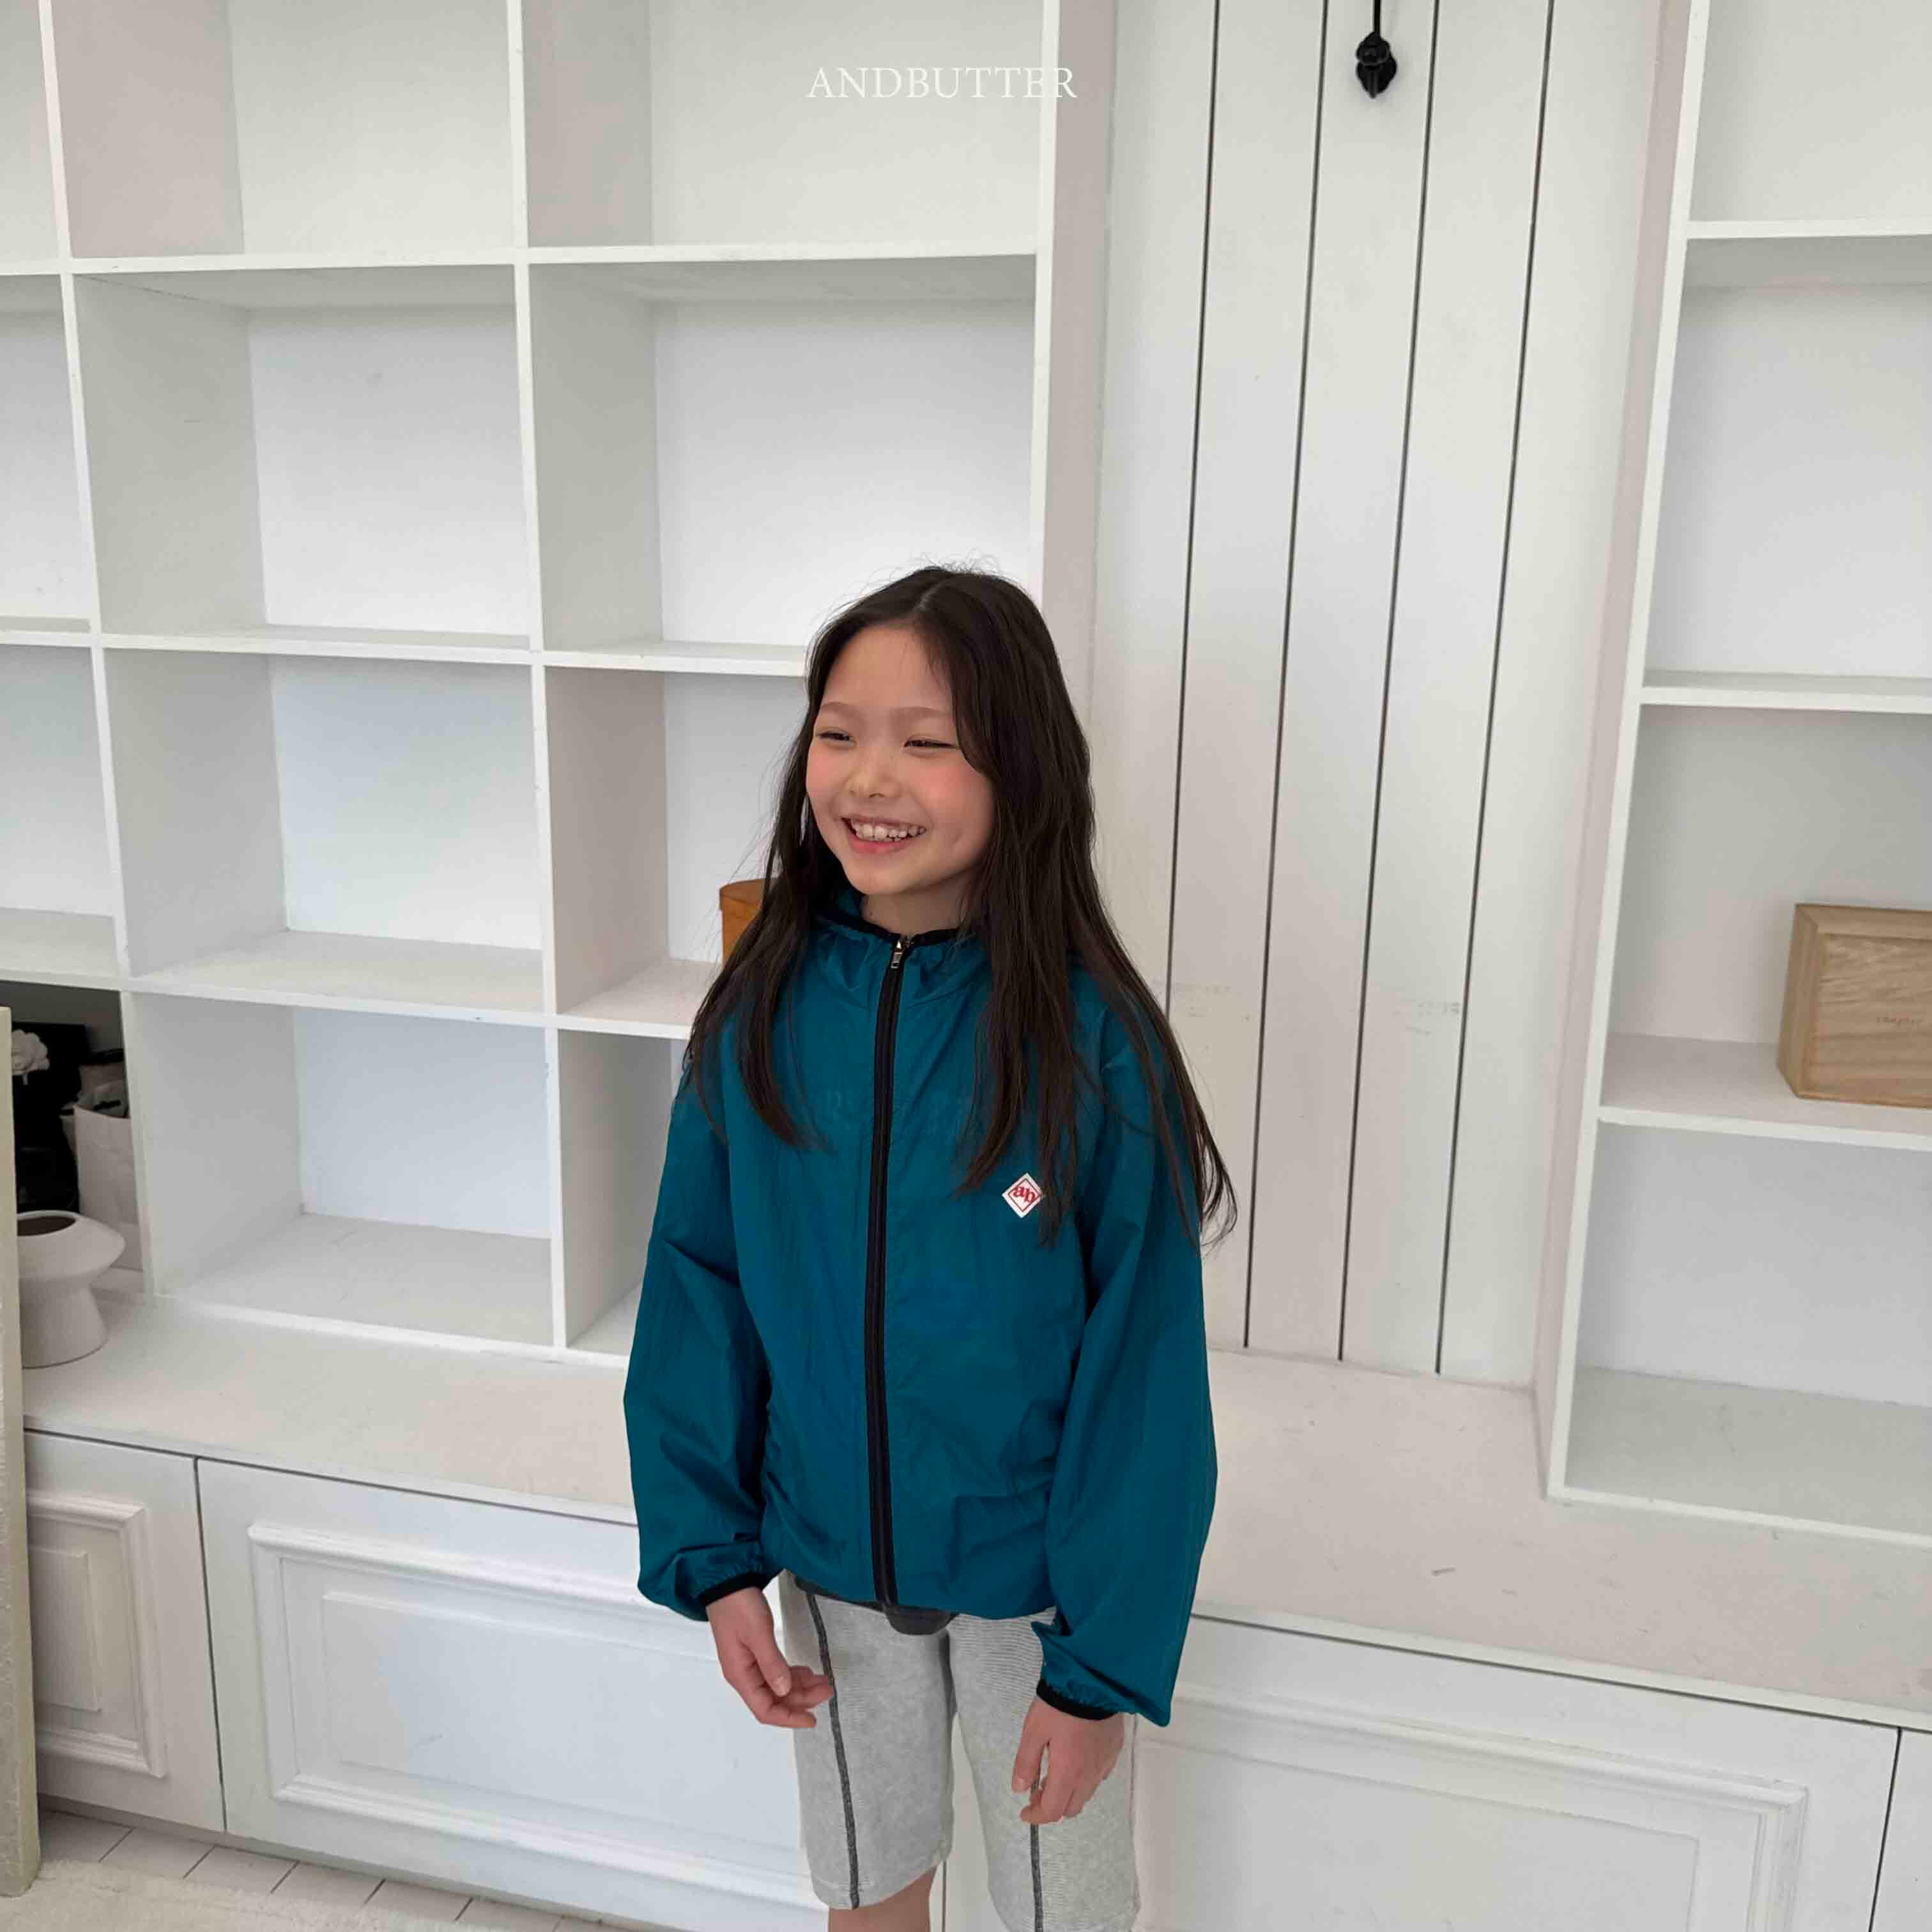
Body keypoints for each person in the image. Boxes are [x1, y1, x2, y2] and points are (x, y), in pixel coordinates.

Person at [623, 564, 1235, 1932]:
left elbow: (1145, 1374)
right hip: (831, 1573)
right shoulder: (759, 1013)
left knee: (1062, 1913)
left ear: (1021, 768)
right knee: (866, 1893)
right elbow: (698, 1291)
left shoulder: (1091, 1042)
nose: (869, 777)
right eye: (840, 732)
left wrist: (1098, 1668)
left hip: (1042, 1604)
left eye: (928, 740)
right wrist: (715, 1558)